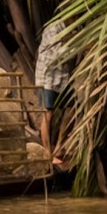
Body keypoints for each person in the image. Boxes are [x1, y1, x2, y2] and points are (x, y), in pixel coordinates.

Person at [34, 19, 69, 166]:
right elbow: (58, 52)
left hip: (62, 78)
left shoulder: (72, 27)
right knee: (47, 114)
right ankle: (48, 154)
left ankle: (59, 146)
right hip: (47, 78)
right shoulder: (53, 28)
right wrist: (83, 46)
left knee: (71, 108)